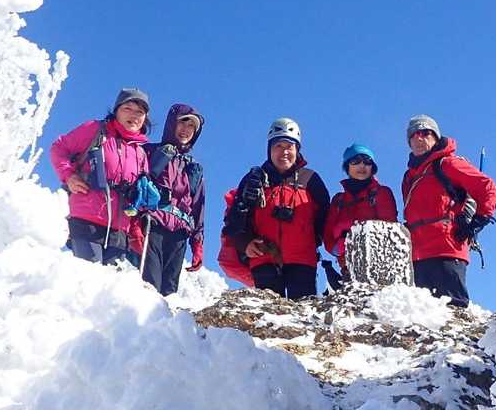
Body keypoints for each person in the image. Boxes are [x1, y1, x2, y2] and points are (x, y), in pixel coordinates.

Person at [49, 87, 158, 266]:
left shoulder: (140, 152)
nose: (134, 115)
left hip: (119, 233)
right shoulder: (95, 130)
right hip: (86, 220)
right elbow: (58, 148)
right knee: (87, 278)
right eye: (127, 108)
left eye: (140, 112)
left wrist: (136, 230)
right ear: (116, 111)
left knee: (108, 283)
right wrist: (68, 176)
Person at [223, 117, 330, 299]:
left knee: (302, 313)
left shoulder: (311, 180)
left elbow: (326, 218)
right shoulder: (254, 180)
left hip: (303, 262)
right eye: (278, 146)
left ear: (297, 150)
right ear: (269, 149)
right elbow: (233, 220)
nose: (284, 152)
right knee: (268, 314)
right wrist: (244, 243)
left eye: (289, 146)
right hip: (263, 259)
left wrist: (316, 242)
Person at [400, 114, 496, 308]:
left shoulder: (447, 164)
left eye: (425, 133)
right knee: (423, 314)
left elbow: (487, 187)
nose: (419, 138)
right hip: (417, 256)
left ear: (436, 137)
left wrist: (479, 219)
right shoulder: (409, 177)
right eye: (414, 135)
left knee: (452, 311)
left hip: (447, 249)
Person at [137, 104, 206, 296]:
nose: (186, 130)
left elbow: (198, 207)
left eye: (192, 127)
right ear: (171, 124)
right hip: (152, 226)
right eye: (182, 123)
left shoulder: (193, 169)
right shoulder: (149, 152)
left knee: (169, 292)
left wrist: (197, 244)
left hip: (180, 235)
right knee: (149, 286)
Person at [322, 143, 398, 280]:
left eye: (367, 162)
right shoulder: (338, 200)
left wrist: (353, 235)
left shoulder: (382, 193)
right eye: (355, 161)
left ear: (372, 167)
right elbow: (328, 238)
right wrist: (342, 245)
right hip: (348, 269)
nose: (362, 166)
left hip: (379, 267)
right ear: (347, 166)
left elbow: (389, 229)